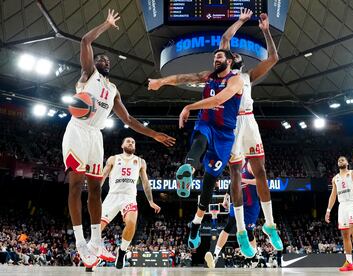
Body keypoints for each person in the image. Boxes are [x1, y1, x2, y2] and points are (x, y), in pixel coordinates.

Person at [61, 9, 175, 268]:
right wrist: (106, 24)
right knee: (76, 186)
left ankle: (96, 241)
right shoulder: (88, 74)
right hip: (78, 130)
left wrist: (153, 134)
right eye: (101, 58)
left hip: (95, 136)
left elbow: (130, 122)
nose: (104, 61)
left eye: (107, 60)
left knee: (93, 191)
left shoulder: (113, 90)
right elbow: (85, 42)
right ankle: (81, 242)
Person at [148, 48, 244, 251]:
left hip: (225, 133)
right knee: (200, 140)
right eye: (214, 57)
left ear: (229, 61)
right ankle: (188, 170)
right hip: (206, 123)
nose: (215, 59)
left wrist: (188, 107)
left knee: (209, 182)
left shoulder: (236, 80)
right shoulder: (207, 76)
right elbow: (182, 78)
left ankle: (196, 224)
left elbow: (218, 100)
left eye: (219, 57)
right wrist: (161, 81)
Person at [219, 8, 282, 256]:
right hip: (231, 124)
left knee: (261, 172)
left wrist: (266, 32)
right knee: (235, 173)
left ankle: (270, 224)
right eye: (229, 55)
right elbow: (225, 40)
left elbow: (274, 58)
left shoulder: (247, 76)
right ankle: (242, 230)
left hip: (249, 121)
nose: (231, 54)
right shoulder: (223, 75)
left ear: (239, 61)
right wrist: (241, 20)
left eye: (234, 55)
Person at [99, 137, 161, 269]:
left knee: (132, 223)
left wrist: (151, 201)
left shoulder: (140, 161)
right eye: (128, 141)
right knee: (98, 227)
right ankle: (92, 255)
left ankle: (121, 252)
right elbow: (103, 176)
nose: (131, 143)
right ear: (122, 144)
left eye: (133, 142)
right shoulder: (113, 159)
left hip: (129, 197)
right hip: (113, 196)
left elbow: (145, 182)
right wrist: (94, 193)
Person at [204, 159, 260, 268]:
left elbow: (261, 181)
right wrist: (226, 196)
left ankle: (255, 256)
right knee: (229, 225)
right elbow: (232, 182)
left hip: (251, 205)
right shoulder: (236, 167)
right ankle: (215, 255)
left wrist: (244, 180)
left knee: (249, 231)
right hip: (238, 202)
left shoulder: (250, 165)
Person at [325, 156, 353, 271]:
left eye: (343, 160)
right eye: (339, 160)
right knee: (345, 235)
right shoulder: (335, 178)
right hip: (342, 206)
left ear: (347, 162)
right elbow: (333, 196)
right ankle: (349, 262)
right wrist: (328, 210)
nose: (341, 161)